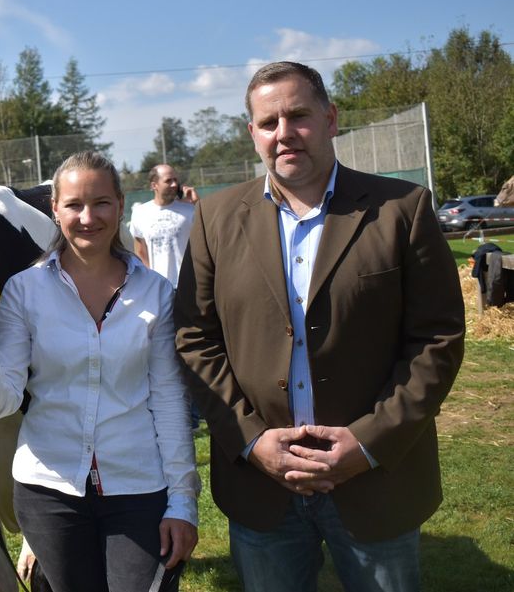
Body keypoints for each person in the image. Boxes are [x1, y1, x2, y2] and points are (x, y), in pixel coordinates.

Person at [174, 61, 465, 591]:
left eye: (298, 116)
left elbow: (437, 340)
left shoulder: (401, 208)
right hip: (262, 488)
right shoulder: (215, 220)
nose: (283, 133)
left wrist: (368, 442)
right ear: (253, 133)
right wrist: (251, 439)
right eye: (268, 123)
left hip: (376, 481)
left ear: (331, 119)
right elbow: (195, 338)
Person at [0, 151, 199, 592]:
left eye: (101, 202)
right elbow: (5, 398)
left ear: (121, 205)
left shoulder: (156, 292)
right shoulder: (24, 291)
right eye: (74, 205)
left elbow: (168, 399)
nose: (88, 217)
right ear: (54, 208)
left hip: (138, 486)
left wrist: (182, 503)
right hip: (48, 492)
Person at [129, 164, 197, 287]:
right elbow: (141, 252)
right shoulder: (140, 213)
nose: (174, 184)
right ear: (154, 185)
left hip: (188, 285)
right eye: (168, 181)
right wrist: (151, 280)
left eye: (175, 180)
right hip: (158, 287)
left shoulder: (190, 210)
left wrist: (196, 203)